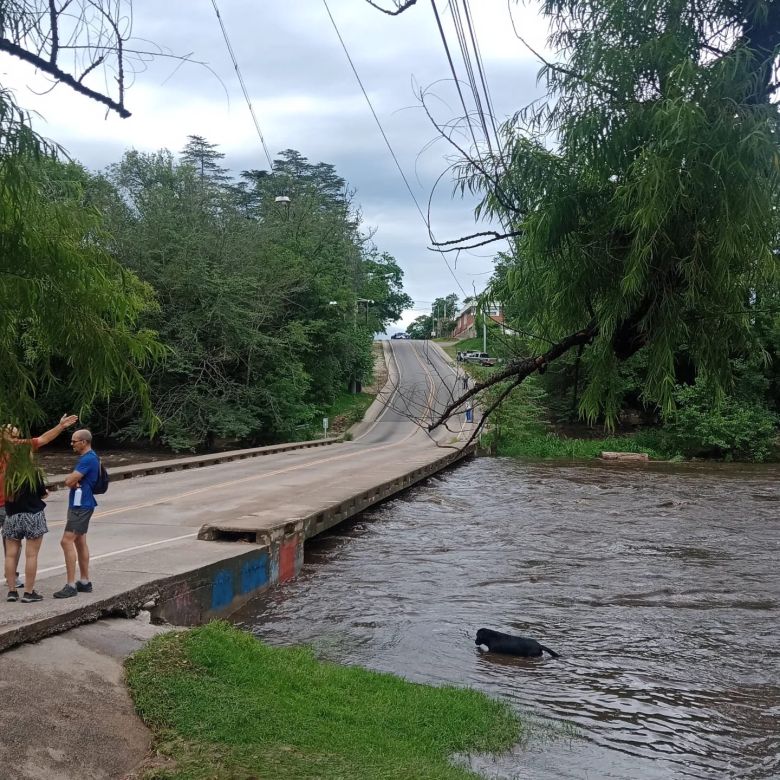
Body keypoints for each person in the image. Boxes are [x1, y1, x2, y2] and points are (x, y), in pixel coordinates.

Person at [0, 414, 78, 589]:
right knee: (18, 550)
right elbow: (44, 439)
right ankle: (17, 585)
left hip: (9, 505)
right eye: (14, 435)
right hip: (10, 505)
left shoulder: (17, 447)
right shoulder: (20, 449)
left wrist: (61, 426)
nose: (17, 439)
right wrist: (61, 426)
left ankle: (12, 582)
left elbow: (43, 439)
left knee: (11, 548)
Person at [53, 429, 99, 599]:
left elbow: (69, 481)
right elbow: (73, 480)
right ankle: (85, 582)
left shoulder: (87, 459)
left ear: (84, 442)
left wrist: (71, 480)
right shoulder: (91, 457)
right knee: (80, 541)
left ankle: (71, 584)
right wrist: (72, 480)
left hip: (81, 506)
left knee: (66, 541)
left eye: (74, 441)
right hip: (81, 504)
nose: (71, 444)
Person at [3, 469, 49, 602]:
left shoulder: (8, 473)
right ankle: (29, 592)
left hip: (12, 516)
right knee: (31, 555)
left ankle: (12, 591)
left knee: (10, 555)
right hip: (33, 515)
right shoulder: (33, 472)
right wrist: (46, 493)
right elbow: (42, 493)